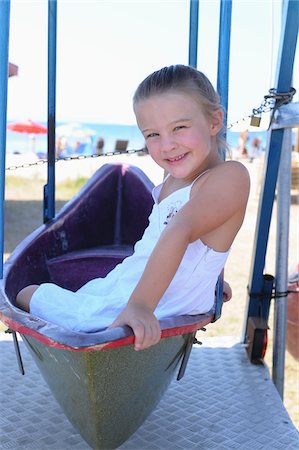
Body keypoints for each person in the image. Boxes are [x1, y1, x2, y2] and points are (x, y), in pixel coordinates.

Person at [16, 65, 250, 351]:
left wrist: (141, 305)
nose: (167, 146)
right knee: (38, 296)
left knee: (33, 298)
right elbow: (208, 231)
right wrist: (211, 276)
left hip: (159, 301)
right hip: (132, 281)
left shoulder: (230, 176)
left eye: (179, 128)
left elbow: (182, 229)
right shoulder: (173, 176)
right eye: (152, 135)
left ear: (214, 121)